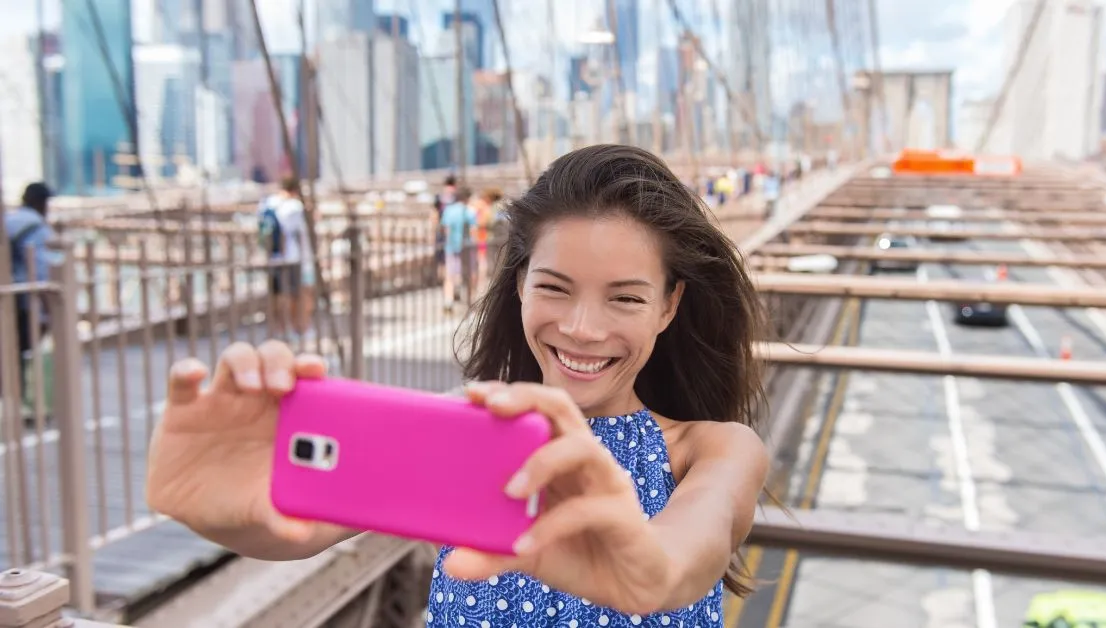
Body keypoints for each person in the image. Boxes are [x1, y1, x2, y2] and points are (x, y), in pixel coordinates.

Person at [146, 144, 770, 627]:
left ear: (669, 306)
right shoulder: (468, 433)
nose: (582, 329)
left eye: (625, 298)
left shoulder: (713, 449)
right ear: (520, 283)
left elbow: (700, 534)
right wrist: (219, 507)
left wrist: (651, 568)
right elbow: (297, 530)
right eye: (554, 287)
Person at [4, 182, 60, 406]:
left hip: (7, 294)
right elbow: (42, 271)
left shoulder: (9, 221)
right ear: (42, 203)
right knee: (21, 350)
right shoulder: (37, 228)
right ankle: (21, 402)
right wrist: (50, 310)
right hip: (19, 298)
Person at [260, 177, 316, 344]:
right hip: (295, 258)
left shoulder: (268, 204)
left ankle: (280, 328)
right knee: (300, 293)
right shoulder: (294, 207)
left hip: (274, 257)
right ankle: (300, 327)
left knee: (279, 295)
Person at [440, 187, 476, 313]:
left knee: (449, 276)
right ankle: (470, 300)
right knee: (470, 275)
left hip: (451, 247)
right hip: (466, 247)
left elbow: (446, 229)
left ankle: (448, 302)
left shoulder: (448, 210)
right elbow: (473, 231)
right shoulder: (469, 211)